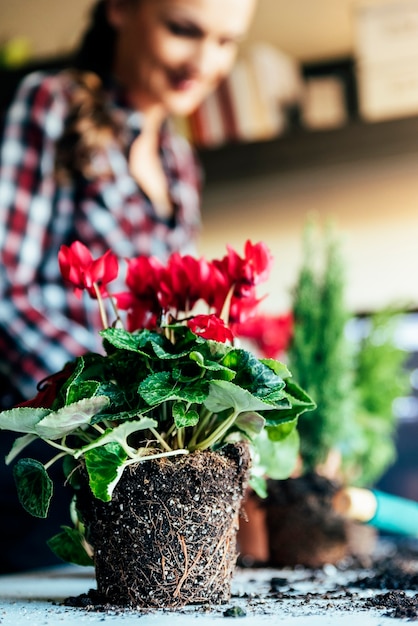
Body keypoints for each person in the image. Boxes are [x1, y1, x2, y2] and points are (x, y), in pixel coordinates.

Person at [0, 0, 257, 572]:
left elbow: (169, 331)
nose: (205, 61)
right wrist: (108, 409)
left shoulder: (179, 161)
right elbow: (5, 293)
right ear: (121, 8)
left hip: (140, 463)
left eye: (226, 41)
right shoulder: (53, 104)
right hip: (52, 449)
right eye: (184, 30)